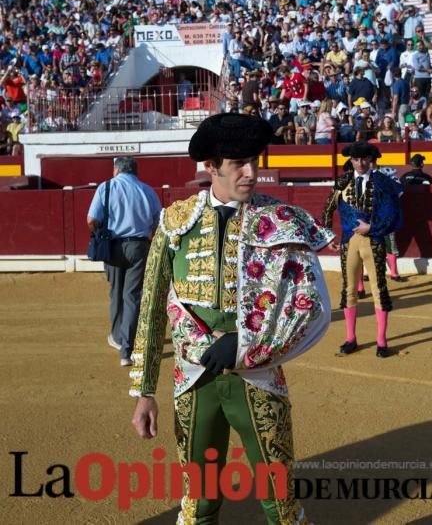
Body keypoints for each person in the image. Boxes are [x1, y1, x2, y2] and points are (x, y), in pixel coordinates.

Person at [130, 113, 336, 523]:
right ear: (211, 166)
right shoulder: (175, 222)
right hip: (193, 379)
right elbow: (151, 306)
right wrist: (144, 389)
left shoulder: (280, 220)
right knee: (198, 502)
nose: (252, 172)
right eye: (239, 163)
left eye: (255, 160)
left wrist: (244, 346)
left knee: (280, 501)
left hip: (258, 377)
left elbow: (311, 307)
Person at [322, 141, 402, 358]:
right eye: (356, 159)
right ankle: (351, 338)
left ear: (372, 159)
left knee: (379, 289)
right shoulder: (342, 182)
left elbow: (393, 213)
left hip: (374, 241)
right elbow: (328, 208)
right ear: (351, 160)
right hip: (349, 243)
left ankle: (381, 341)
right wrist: (328, 236)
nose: (360, 163)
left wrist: (373, 227)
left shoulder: (383, 182)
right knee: (348, 289)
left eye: (364, 158)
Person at [87, 157, 161, 366]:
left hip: (112, 245)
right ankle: (126, 351)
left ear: (116, 170)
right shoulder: (147, 190)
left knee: (116, 292)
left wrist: (99, 234)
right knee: (132, 297)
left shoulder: (106, 187)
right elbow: (158, 223)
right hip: (139, 247)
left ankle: (118, 338)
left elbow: (91, 220)